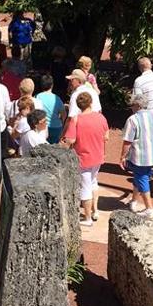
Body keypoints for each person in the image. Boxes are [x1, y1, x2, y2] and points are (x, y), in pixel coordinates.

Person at [63, 91, 109, 224]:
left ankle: (88, 218)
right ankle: (95, 211)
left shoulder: (76, 119)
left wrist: (63, 145)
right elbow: (106, 136)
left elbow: (70, 140)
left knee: (85, 187)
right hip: (98, 156)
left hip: (83, 158)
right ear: (91, 103)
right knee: (94, 182)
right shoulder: (101, 117)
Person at [35, 74, 65, 143]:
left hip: (42, 127)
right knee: (55, 147)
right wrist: (62, 123)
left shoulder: (37, 97)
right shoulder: (57, 98)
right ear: (52, 85)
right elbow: (63, 114)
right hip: (56, 128)